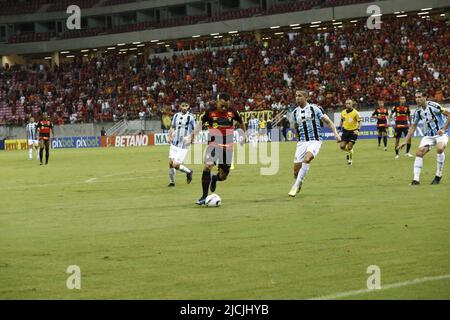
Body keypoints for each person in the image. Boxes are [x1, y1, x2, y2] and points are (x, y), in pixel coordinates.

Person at [193, 92, 246, 205]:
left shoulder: (232, 111)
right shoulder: (210, 111)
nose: (224, 107)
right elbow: (200, 123)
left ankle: (215, 179)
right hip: (213, 145)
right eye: (222, 105)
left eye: (226, 105)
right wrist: (192, 136)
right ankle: (204, 196)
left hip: (228, 147)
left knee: (223, 176)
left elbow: (241, 122)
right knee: (207, 166)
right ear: (217, 101)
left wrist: (244, 135)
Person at [289, 90, 341, 197]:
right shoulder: (294, 113)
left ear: (305, 97)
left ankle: (295, 186)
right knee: (296, 171)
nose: (297, 98)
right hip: (302, 142)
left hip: (315, 140)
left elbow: (328, 122)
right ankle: (299, 181)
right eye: (296, 96)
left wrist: (336, 133)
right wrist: (297, 138)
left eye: (299, 96)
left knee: (307, 159)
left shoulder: (315, 108)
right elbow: (295, 127)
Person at [398, 91, 449, 185]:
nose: (418, 99)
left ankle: (438, 175)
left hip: (440, 133)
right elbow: (413, 127)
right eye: (416, 97)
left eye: (420, 97)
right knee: (419, 152)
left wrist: (444, 129)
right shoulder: (418, 111)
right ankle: (415, 180)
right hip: (428, 135)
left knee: (440, 148)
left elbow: (449, 114)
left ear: (425, 97)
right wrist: (405, 141)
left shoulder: (434, 106)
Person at [167, 102, 195, 187]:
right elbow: (172, 127)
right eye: (183, 106)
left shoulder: (191, 117)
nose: (184, 107)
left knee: (176, 164)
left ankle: (189, 172)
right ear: (180, 106)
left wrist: (191, 139)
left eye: (186, 106)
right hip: (174, 143)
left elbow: (195, 129)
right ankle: (172, 182)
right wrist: (169, 136)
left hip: (183, 145)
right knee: (171, 163)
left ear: (188, 106)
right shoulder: (176, 115)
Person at [339, 99, 361, 165]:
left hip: (353, 131)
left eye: (349, 103)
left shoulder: (356, 113)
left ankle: (350, 160)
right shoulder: (343, 112)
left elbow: (360, 122)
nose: (347, 104)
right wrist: (339, 128)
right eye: (346, 103)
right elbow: (342, 121)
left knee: (349, 146)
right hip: (345, 131)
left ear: (352, 104)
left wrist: (358, 130)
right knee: (342, 146)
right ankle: (349, 151)